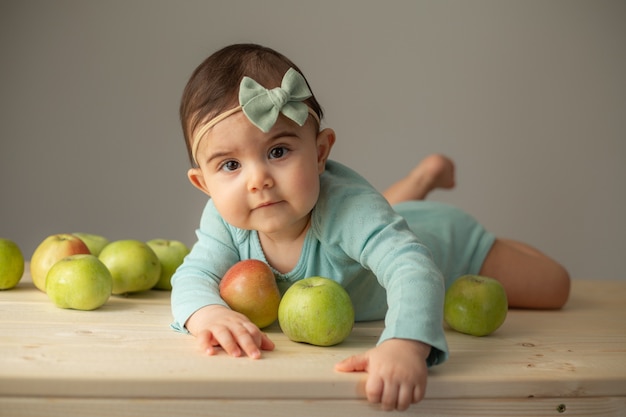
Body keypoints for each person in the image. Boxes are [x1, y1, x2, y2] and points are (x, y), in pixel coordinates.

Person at [171, 43, 570, 411]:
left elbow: (412, 268)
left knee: (555, 287)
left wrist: (403, 344)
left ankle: (435, 203)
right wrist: (205, 313)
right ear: (204, 184)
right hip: (379, 223)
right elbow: (194, 273)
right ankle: (416, 184)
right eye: (230, 165)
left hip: (446, 244)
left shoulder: (349, 208)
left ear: (321, 152)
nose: (258, 180)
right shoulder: (225, 218)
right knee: (374, 219)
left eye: (278, 151)